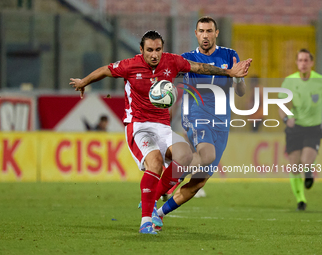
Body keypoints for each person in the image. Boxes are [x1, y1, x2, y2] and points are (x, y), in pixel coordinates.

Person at [70, 30, 252, 234]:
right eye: (149, 50)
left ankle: (152, 199)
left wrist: (229, 73)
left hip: (162, 126)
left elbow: (200, 67)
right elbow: (105, 70)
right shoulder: (130, 65)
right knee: (155, 162)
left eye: (158, 49)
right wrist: (83, 82)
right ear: (141, 50)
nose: (154, 54)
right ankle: (146, 221)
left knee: (184, 156)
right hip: (138, 126)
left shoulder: (172, 62)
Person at [156, 16, 248, 227]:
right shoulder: (187, 58)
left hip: (222, 123)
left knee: (199, 182)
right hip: (196, 115)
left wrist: (239, 77)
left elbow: (241, 92)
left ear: (216, 33)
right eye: (201, 31)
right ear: (195, 34)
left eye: (209, 31)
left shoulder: (230, 55)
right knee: (207, 155)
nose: (205, 35)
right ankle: (164, 185)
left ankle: (158, 213)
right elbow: (167, 81)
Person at [278, 48, 322, 211]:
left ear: (311, 63)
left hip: (314, 128)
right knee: (294, 166)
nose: (303, 64)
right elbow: (281, 105)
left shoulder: (319, 81)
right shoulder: (289, 81)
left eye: (306, 60)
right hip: (295, 128)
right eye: (300, 60)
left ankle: (309, 171)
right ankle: (301, 200)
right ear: (297, 63)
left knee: (305, 162)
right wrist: (286, 118)